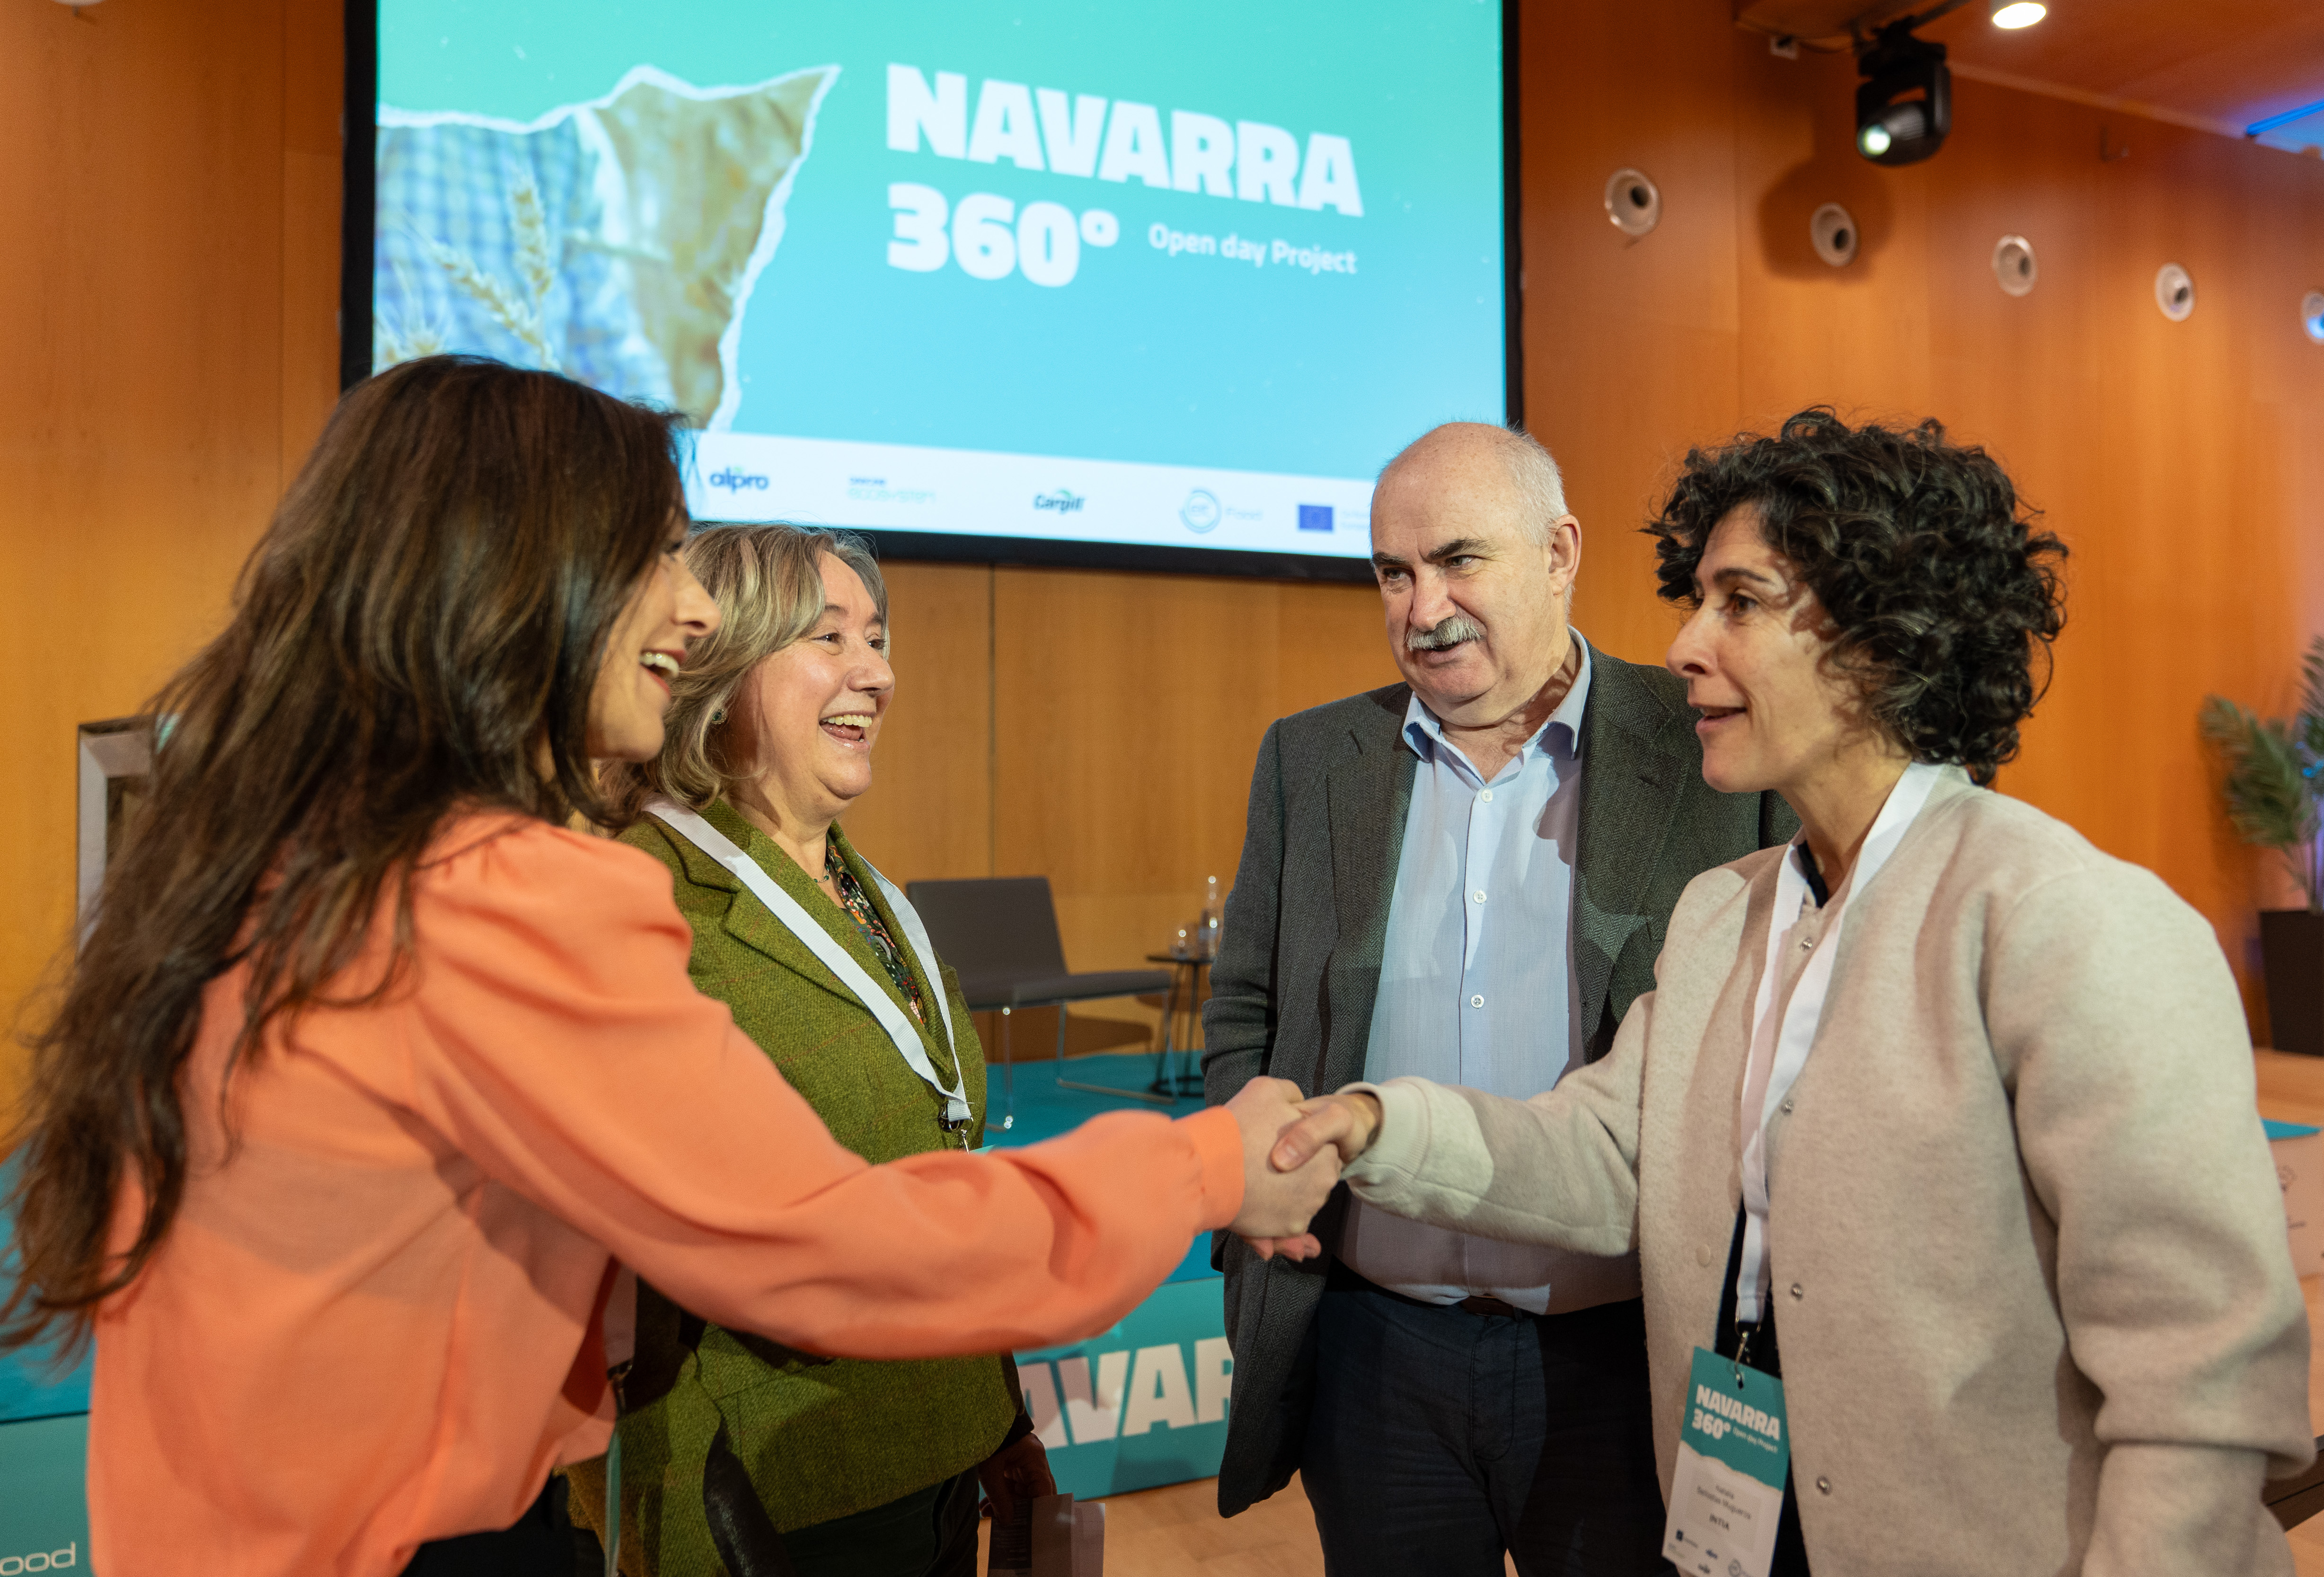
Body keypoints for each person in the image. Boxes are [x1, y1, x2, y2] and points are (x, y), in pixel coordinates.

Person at [0, 355, 1337, 1577]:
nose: (695, 610)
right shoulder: (504, 893)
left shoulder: (284, 853)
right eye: (656, 553)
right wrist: (1205, 1165)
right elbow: (823, 1244)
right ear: (516, 575)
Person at [1272, 410, 2314, 1576]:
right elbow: (1609, 1152)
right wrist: (1368, 1122)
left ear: (1880, 639)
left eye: (1740, 602)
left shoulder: (2062, 917)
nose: (1682, 645)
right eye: (1696, 600)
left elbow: (2200, 1385)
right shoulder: (1726, 910)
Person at [1202, 421, 1794, 1575]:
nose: (1422, 608)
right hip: (1372, 1354)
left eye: (1458, 560)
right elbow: (1245, 1013)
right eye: (1393, 572)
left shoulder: (1710, 752)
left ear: (1559, 551)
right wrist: (1258, 1168)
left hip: (1624, 1357)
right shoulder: (1309, 762)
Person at [571, 523, 1044, 1576]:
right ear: (721, 671)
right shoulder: (638, 898)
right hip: (779, 1502)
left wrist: (1000, 1415)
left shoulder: (865, 893)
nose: (877, 673)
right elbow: (622, 1285)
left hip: (942, 1462)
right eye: (829, 638)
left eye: (876, 639)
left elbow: (938, 1156)